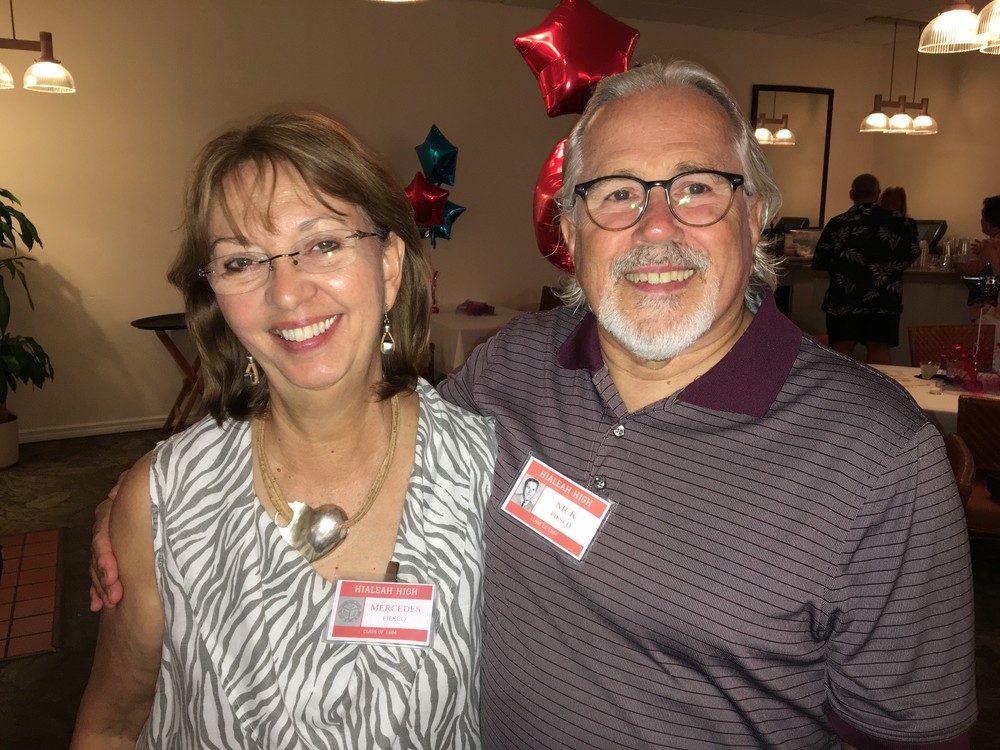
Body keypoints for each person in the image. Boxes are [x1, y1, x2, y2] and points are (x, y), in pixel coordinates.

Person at [90, 61, 977, 748]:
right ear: (572, 230)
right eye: (617, 193)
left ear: (755, 218)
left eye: (697, 188)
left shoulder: (880, 458)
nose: (656, 227)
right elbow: (354, 425)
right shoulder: (510, 374)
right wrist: (150, 503)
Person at [72, 112, 495, 749]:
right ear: (217, 296)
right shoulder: (166, 500)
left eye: (323, 244)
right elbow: (112, 724)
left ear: (388, 265)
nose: (289, 293)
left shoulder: (487, 475)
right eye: (242, 260)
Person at [811, 173, 920, 364]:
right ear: (878, 194)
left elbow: (820, 260)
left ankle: (841, 383)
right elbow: (913, 252)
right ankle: (879, 384)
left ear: (851, 194)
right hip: (884, 299)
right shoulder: (898, 221)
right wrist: (891, 270)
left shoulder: (838, 223)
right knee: (879, 347)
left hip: (844, 298)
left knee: (842, 347)